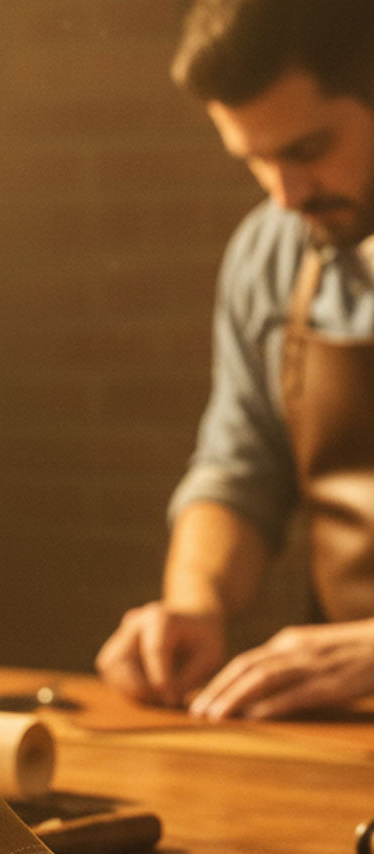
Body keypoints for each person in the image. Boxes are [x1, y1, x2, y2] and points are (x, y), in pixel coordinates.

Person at [96, 0, 374, 720]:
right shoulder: (273, 253)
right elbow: (241, 469)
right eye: (255, 159)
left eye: (308, 149)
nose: (285, 195)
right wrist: (196, 602)